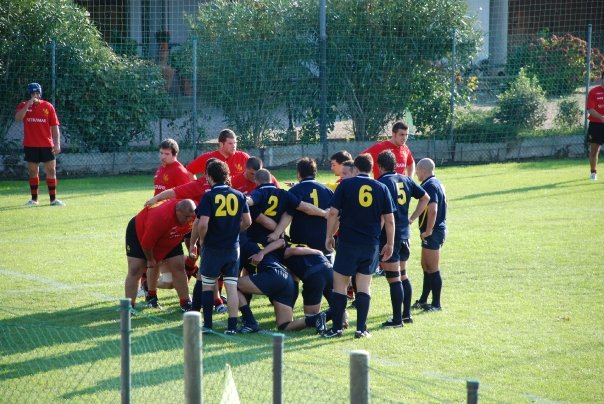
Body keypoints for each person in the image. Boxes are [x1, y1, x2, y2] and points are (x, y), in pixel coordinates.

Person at [323, 154, 396, 338]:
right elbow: (389, 220)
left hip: (348, 243)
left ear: (355, 168)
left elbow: (333, 213)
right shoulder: (381, 187)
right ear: (372, 168)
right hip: (370, 244)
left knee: (340, 285)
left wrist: (329, 236)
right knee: (364, 286)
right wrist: (390, 243)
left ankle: (337, 328)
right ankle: (361, 329)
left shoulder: (345, 185)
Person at [188, 161, 251, 334]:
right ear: (226, 175)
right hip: (233, 248)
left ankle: (208, 326)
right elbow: (247, 221)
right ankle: (232, 327)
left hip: (213, 247)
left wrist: (202, 240)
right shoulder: (239, 195)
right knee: (231, 287)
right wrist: (232, 232)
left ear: (209, 177)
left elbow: (202, 224)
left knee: (208, 286)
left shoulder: (209, 196)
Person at [375, 150, 430, 327]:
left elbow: (382, 215)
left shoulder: (381, 183)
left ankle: (397, 320)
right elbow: (425, 198)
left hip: (390, 237)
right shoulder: (406, 179)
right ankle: (406, 315)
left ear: (380, 166)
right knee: (403, 275)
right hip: (405, 234)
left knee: (394, 278)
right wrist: (411, 218)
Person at [124, 199, 197, 313]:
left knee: (178, 266)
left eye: (191, 217)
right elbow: (146, 244)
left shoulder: (195, 213)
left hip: (170, 234)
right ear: (177, 211)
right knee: (136, 269)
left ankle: (185, 302)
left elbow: (197, 228)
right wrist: (150, 260)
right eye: (186, 217)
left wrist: (192, 244)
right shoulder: (160, 218)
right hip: (140, 231)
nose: (189, 220)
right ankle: (129, 306)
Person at [269, 157, 333, 254]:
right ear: (315, 172)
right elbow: (336, 216)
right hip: (323, 241)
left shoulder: (294, 191)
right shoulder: (328, 191)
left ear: (299, 174)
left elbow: (288, 215)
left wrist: (277, 233)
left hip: (301, 242)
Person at [15, 83, 64, 206]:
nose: (35, 95)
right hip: (31, 145)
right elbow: (18, 118)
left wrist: (57, 144)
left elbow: (55, 127)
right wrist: (28, 105)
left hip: (47, 145)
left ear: (40, 94)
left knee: (51, 170)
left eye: (37, 93)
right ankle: (34, 200)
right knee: (33, 172)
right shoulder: (23, 105)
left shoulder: (48, 106)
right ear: (29, 94)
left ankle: (53, 200)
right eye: (33, 93)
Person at [246, 168, 327, 243]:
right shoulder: (284, 194)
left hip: (257, 238)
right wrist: (324, 213)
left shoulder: (258, 193)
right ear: (271, 179)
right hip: (278, 238)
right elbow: (306, 207)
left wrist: (243, 198)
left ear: (256, 181)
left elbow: (252, 204)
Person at [412, 158, 447, 312]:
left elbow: (433, 210)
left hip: (433, 232)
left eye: (417, 171)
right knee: (426, 267)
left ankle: (436, 304)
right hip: (434, 231)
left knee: (432, 268)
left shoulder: (430, 185)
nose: (416, 174)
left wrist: (428, 230)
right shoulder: (436, 183)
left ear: (423, 170)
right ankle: (423, 300)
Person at [185, 129, 250, 180]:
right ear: (221, 144)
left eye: (235, 143)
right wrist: (196, 186)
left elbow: (254, 173)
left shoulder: (243, 157)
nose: (234, 146)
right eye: (230, 143)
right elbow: (188, 172)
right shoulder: (208, 157)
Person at [587, 71, 604, 181]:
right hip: (596, 125)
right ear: (602, 79)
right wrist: (601, 117)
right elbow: (590, 109)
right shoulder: (594, 92)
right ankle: (593, 173)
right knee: (594, 150)